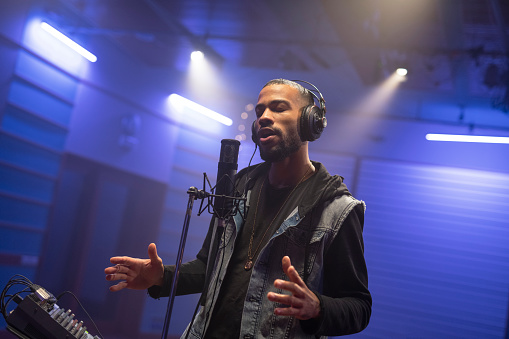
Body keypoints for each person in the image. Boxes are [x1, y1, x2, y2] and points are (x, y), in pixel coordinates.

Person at [104, 79, 371, 338]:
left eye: (278, 108)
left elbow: (359, 307)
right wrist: (161, 277)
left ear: (310, 122)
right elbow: (208, 267)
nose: (264, 117)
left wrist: (318, 308)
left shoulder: (337, 208)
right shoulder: (239, 187)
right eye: (260, 111)